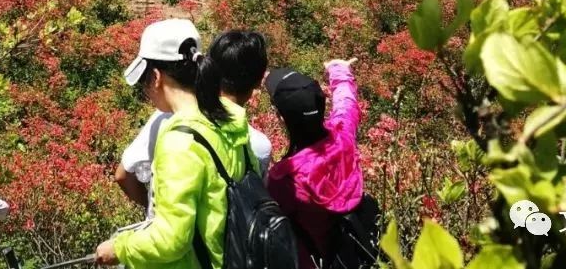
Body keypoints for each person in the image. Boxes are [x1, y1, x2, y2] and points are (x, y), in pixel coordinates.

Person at [95, 19, 255, 269]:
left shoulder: (179, 139)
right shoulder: (231, 119)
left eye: (145, 82)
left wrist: (119, 247)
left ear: (156, 77)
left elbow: (172, 240)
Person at [116, 29, 273, 218]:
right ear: (259, 81)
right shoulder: (257, 144)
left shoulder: (168, 124)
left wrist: (154, 212)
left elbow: (123, 176)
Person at [266, 60, 371, 269]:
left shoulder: (284, 180)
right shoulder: (344, 138)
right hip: (355, 253)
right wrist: (338, 67)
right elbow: (346, 103)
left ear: (280, 118)